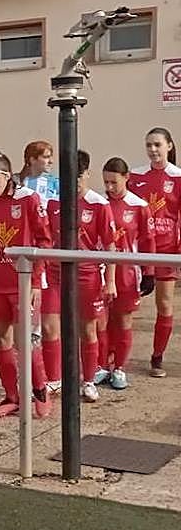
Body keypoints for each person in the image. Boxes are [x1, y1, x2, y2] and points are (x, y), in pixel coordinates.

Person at [0, 150, 52, 419]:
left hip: (23, 281)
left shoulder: (28, 199)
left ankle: (41, 390)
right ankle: (12, 397)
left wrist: (35, 281)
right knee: (2, 340)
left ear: (7, 177)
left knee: (25, 341)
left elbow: (44, 241)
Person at [41, 150, 117, 401]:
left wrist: (111, 281)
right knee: (50, 327)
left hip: (87, 274)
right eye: (67, 176)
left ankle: (88, 380)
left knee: (87, 330)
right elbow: (46, 239)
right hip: (55, 273)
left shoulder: (99, 204)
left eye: (78, 176)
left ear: (86, 174)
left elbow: (110, 246)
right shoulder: (53, 202)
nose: (72, 182)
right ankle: (54, 380)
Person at [100, 157, 155, 390]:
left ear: (126, 178)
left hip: (127, 274)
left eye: (114, 182)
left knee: (123, 320)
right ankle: (101, 366)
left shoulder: (139, 206)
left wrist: (149, 271)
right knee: (100, 323)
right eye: (106, 182)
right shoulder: (99, 203)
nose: (110, 187)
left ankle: (120, 368)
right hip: (101, 270)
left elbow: (147, 241)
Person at [130, 127, 181, 377]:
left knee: (164, 303)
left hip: (167, 249)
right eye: (149, 144)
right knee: (126, 303)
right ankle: (112, 360)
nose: (153, 149)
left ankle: (157, 357)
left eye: (157, 145)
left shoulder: (178, 177)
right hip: (137, 249)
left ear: (169, 146)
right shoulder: (135, 176)